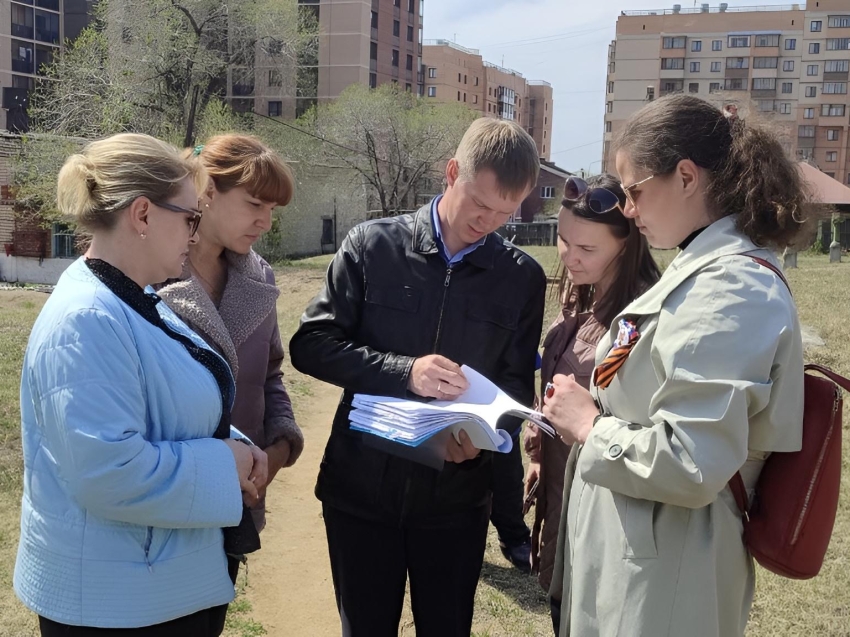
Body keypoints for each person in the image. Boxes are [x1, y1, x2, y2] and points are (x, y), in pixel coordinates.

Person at [544, 94, 806, 636]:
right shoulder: (700, 269)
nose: (629, 208)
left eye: (635, 190)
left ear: (686, 176)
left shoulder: (731, 288)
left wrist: (590, 426)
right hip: (645, 557)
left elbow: (691, 461)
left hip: (669, 576)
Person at [289, 117, 546, 637]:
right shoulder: (371, 245)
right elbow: (310, 346)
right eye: (480, 203)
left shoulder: (521, 276)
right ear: (451, 172)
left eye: (504, 214)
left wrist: (484, 438)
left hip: (455, 500)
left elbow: (517, 388)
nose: (488, 222)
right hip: (360, 489)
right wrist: (404, 372)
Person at [14, 133, 266, 636]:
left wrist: (236, 444)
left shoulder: (134, 298)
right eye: (190, 218)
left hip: (150, 590)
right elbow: (109, 472)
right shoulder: (85, 319)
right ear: (143, 215)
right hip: (117, 609)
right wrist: (226, 463)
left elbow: (168, 407)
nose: (194, 236)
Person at [522, 174, 660, 633]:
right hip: (562, 495)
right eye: (563, 240)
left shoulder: (639, 318)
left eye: (587, 250)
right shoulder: (581, 290)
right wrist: (541, 448)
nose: (570, 257)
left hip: (606, 514)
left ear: (627, 245)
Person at [158, 134, 303, 535]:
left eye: (271, 209)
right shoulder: (151, 275)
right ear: (206, 191)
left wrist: (280, 447)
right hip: (171, 498)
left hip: (242, 496)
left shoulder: (260, 277)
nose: (266, 222)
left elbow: (270, 375)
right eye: (254, 204)